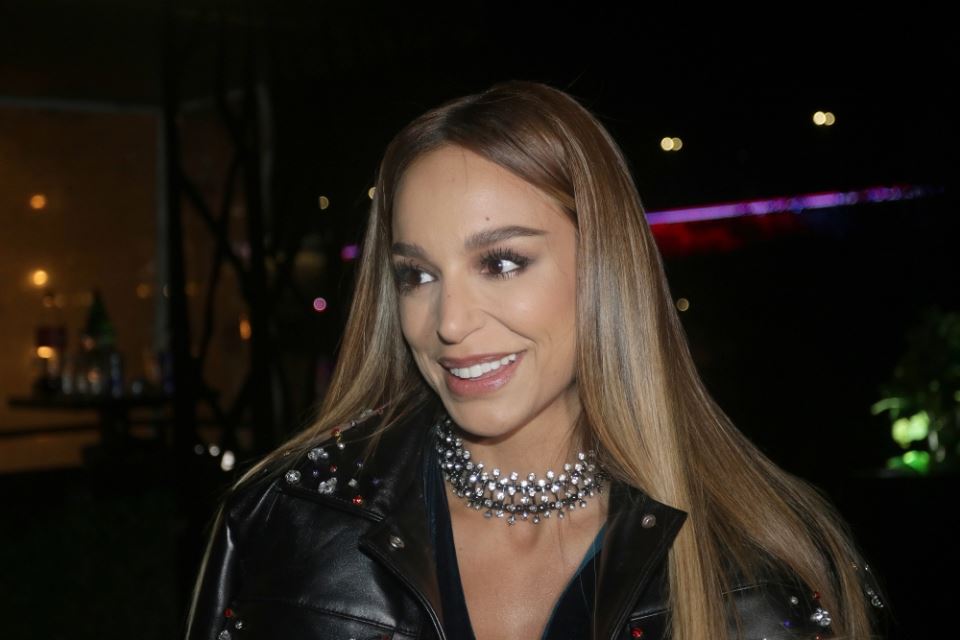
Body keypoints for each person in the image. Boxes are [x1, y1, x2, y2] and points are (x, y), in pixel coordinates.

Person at [184, 81, 887, 640]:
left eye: (502, 262)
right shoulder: (289, 521)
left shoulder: (760, 569)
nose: (449, 323)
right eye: (416, 275)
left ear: (603, 266)